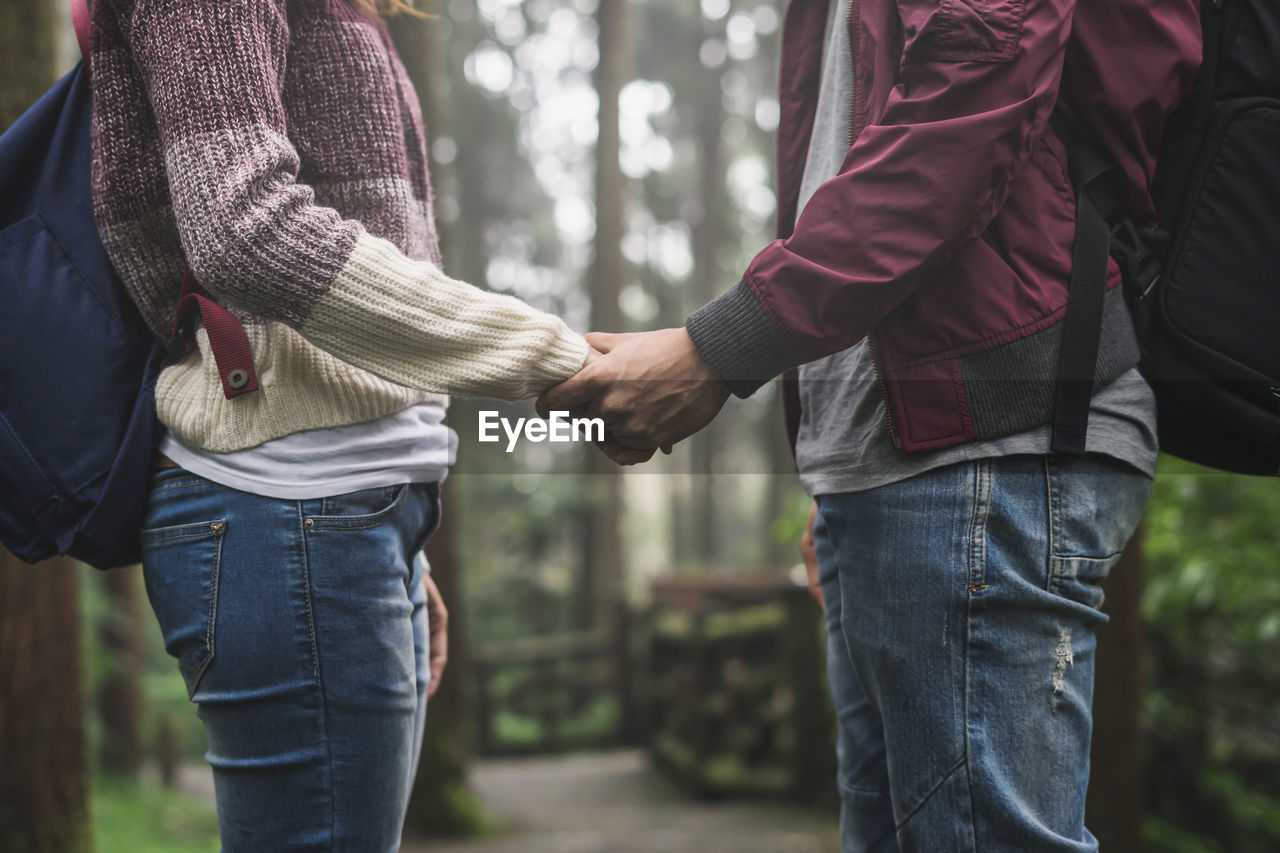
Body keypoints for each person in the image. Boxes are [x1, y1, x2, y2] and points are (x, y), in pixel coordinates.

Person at [541, 0, 1200, 849]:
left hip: (986, 448)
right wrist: (836, 461)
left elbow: (968, 110)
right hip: (896, 465)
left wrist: (720, 350)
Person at [90, 0, 590, 849]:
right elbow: (243, 227)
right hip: (287, 508)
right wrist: (550, 358)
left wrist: (397, 527)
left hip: (332, 517)